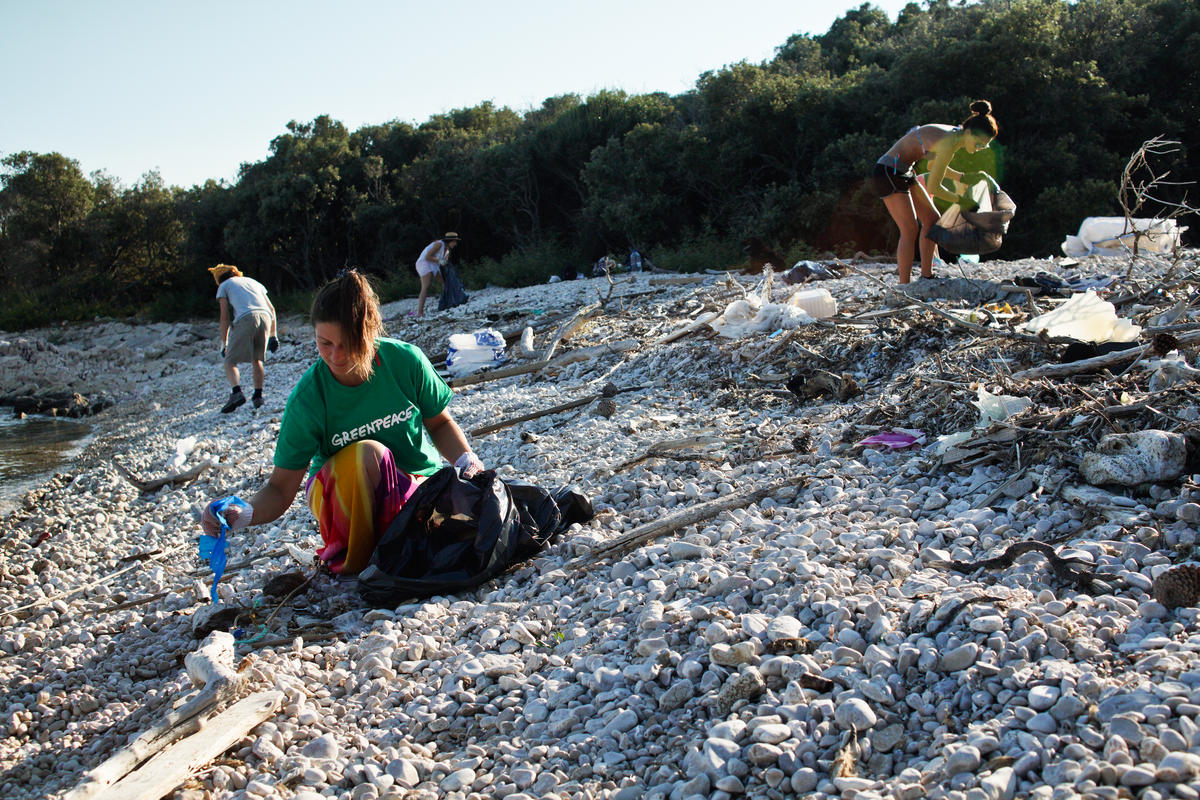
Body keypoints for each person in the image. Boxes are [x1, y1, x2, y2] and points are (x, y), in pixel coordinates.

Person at [200, 269, 484, 575]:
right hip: (342, 500)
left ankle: (408, 544)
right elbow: (280, 489)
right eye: (325, 343)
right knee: (368, 454)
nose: (335, 356)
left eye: (347, 343)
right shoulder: (310, 397)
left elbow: (439, 423)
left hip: (414, 485)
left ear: (370, 331)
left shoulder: (406, 361)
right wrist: (243, 512)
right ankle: (358, 563)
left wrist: (467, 461)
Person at [870, 100, 1000, 283]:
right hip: (888, 171)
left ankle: (926, 276)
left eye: (983, 147)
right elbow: (934, 186)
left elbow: (933, 165)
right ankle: (903, 286)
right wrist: (962, 200)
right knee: (909, 229)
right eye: (978, 144)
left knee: (932, 220)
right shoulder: (949, 142)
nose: (978, 149)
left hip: (905, 171)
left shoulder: (955, 137)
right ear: (969, 132)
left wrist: (963, 177)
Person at [209, 264, 278, 412]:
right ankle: (258, 397)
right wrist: (273, 335)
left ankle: (236, 393)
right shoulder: (253, 282)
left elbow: (224, 317)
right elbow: (272, 309)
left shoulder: (224, 286)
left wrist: (224, 343)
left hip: (246, 318)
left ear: (219, 278)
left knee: (229, 360)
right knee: (257, 359)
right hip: (266, 317)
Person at [414, 232, 459, 316]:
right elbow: (428, 256)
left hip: (434, 265)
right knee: (426, 286)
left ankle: (449, 302)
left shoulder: (447, 251)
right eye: (454, 241)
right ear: (450, 241)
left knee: (444, 283)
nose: (455, 244)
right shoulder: (439, 244)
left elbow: (444, 262)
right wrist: (439, 261)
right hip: (425, 263)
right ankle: (420, 312)